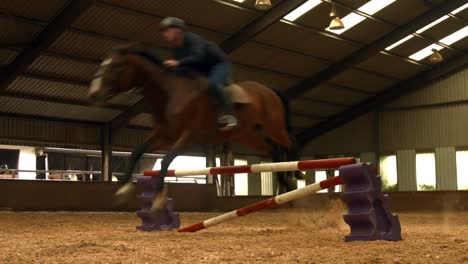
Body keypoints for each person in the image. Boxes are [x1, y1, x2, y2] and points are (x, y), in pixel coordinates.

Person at [159, 17, 238, 131]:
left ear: (178, 30)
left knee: (212, 84)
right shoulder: (176, 49)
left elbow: (198, 56)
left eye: (166, 30)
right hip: (202, 69)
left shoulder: (192, 38)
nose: (164, 34)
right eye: (163, 32)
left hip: (218, 64)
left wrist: (178, 62)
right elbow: (183, 69)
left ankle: (229, 117)